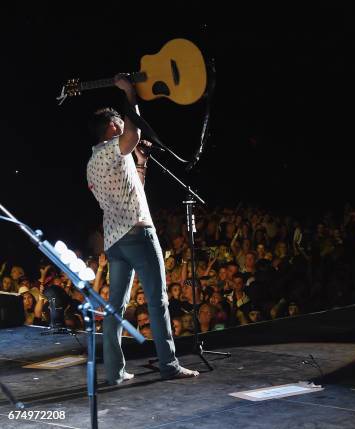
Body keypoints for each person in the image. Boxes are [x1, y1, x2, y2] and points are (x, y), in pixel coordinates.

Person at [86, 74, 198, 385]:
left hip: (115, 240)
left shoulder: (93, 162)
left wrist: (142, 162)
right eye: (118, 121)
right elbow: (133, 133)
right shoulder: (113, 148)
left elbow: (133, 187)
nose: (122, 124)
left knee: (117, 307)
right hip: (137, 233)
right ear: (111, 128)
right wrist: (130, 95)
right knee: (157, 300)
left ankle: (115, 372)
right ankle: (169, 364)